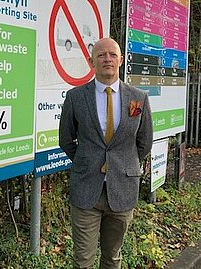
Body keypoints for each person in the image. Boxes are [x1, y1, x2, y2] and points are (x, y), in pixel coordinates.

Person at [59, 37, 153, 268]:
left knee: (112, 257)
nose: (107, 59)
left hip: (122, 190)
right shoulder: (76, 97)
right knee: (82, 260)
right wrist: (86, 161)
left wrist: (124, 164)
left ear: (121, 60)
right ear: (92, 61)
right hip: (86, 190)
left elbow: (144, 141)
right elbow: (66, 139)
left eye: (112, 54)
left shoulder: (138, 98)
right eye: (101, 55)